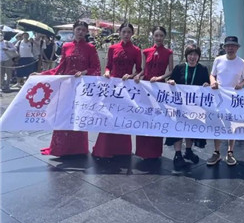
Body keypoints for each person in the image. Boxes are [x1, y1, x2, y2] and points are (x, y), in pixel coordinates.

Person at [39, 21, 101, 156]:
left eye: (83, 30)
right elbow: (60, 68)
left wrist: (84, 72)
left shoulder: (90, 48)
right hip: (66, 87)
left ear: (87, 32)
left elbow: (96, 68)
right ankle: (60, 148)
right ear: (74, 30)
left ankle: (78, 149)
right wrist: (42, 75)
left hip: (81, 88)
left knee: (78, 116)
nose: (81, 32)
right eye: (78, 29)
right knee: (63, 115)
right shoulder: (66, 46)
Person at [92, 22, 142, 159]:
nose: (126, 35)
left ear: (132, 34)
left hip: (126, 88)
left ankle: (122, 150)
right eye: (123, 32)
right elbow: (108, 66)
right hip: (112, 87)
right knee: (109, 116)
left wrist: (131, 76)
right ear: (119, 33)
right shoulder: (112, 48)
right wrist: (107, 72)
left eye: (129, 32)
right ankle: (104, 149)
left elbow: (139, 70)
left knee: (123, 117)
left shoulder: (136, 50)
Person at [165, 44, 210, 169]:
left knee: (191, 128)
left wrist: (207, 85)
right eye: (190, 54)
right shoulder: (179, 67)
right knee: (178, 128)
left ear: (198, 57)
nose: (192, 57)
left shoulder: (202, 69)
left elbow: (207, 83)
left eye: (195, 54)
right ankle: (178, 154)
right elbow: (170, 80)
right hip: (179, 105)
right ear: (186, 56)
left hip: (195, 106)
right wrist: (170, 82)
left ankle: (188, 151)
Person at [133, 26, 174, 160]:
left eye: (161, 35)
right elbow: (143, 70)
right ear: (153, 36)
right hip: (145, 88)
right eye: (156, 35)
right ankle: (142, 151)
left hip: (159, 88)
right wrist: (138, 76)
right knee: (144, 117)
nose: (158, 38)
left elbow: (171, 71)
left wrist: (160, 77)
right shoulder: (146, 52)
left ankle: (155, 152)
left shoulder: (168, 52)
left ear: (164, 37)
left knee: (157, 118)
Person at [209, 36, 244, 166]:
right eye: (228, 46)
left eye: (233, 46)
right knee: (218, 124)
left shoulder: (242, 62)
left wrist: (241, 84)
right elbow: (212, 74)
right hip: (219, 98)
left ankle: (230, 152)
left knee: (232, 125)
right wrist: (213, 82)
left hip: (234, 98)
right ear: (224, 47)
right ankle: (216, 152)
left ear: (237, 48)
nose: (230, 48)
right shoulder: (218, 60)